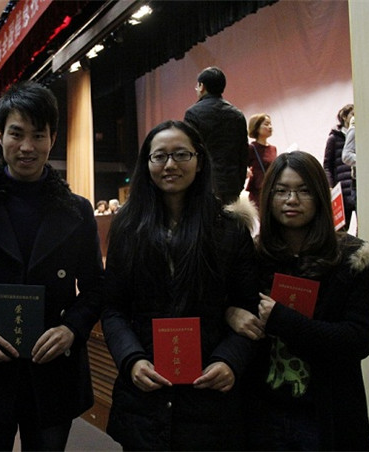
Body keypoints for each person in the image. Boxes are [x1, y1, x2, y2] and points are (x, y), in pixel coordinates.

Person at [0, 81, 104, 451]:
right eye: (16, 133)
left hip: (52, 367)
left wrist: (71, 329)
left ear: (52, 138)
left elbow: (95, 287)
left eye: (38, 135)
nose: (27, 147)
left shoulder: (77, 210)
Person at [101, 120, 259, 450]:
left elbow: (248, 309)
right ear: (147, 164)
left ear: (199, 161)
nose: (170, 164)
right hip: (145, 396)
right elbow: (114, 308)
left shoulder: (229, 230)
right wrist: (131, 359)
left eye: (181, 154)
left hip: (210, 396)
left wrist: (230, 360)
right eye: (159, 156)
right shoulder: (128, 229)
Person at [227, 151, 369, 450]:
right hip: (263, 414)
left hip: (326, 414)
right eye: (281, 191)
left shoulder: (351, 257)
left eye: (303, 191)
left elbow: (359, 340)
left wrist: (284, 320)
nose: (291, 200)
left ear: (320, 195)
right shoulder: (253, 256)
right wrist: (230, 313)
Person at [184, 66, 248, 204]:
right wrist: (239, 184)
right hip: (232, 183)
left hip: (204, 184)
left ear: (202, 86)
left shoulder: (192, 114)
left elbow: (190, 150)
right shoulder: (237, 115)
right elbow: (243, 153)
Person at [323, 104, 356, 228]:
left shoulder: (359, 134)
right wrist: (330, 186)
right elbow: (327, 165)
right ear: (344, 117)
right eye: (352, 114)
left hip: (356, 186)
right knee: (341, 228)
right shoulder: (333, 138)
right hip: (342, 190)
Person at [246, 113, 278, 206]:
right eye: (266, 124)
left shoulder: (273, 149)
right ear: (256, 128)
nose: (270, 127)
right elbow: (241, 164)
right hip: (258, 192)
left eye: (270, 124)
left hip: (273, 189)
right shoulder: (251, 148)